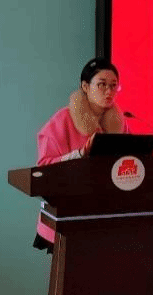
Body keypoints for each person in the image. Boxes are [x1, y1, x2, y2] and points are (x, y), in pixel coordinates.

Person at [33, 57, 128, 252]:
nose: (109, 91)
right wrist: (80, 154)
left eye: (113, 86)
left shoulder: (119, 122)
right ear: (85, 86)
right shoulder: (63, 119)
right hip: (68, 218)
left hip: (106, 216)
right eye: (102, 84)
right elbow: (44, 168)